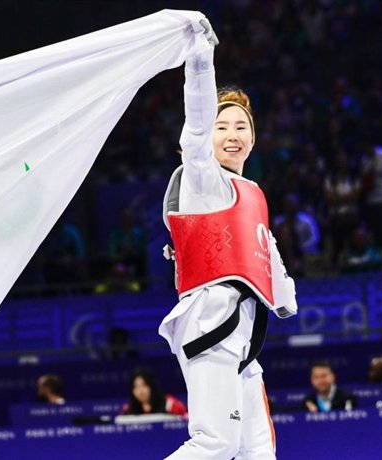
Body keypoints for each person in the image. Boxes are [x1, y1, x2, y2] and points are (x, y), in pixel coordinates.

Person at [158, 19, 297, 460]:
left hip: (246, 336)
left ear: (253, 138)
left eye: (242, 126)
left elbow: (266, 250)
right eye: (223, 126)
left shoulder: (252, 192)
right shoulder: (202, 180)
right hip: (211, 326)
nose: (233, 134)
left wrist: (286, 294)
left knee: (257, 453)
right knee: (215, 443)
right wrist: (200, 61)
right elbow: (196, 128)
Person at [119, 367, 187, 417]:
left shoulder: (170, 404)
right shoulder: (128, 409)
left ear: (152, 385)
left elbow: (186, 418)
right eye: (135, 387)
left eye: (144, 385)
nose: (140, 391)